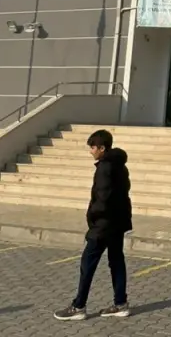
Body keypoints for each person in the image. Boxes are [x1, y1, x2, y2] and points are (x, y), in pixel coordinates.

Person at [54, 129, 133, 321]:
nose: (91, 151)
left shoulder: (105, 167)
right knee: (116, 261)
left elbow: (102, 198)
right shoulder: (120, 165)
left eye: (93, 147)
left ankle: (78, 306)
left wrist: (93, 218)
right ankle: (120, 304)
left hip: (104, 224)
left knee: (87, 263)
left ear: (102, 148)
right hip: (118, 222)